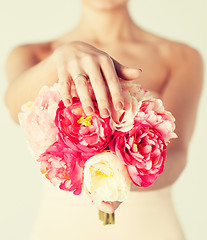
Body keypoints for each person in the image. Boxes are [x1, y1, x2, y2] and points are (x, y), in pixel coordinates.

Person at [4, 0, 203, 239]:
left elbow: (177, 154)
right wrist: (60, 59)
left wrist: (120, 179)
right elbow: (14, 107)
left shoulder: (181, 56)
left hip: (151, 228)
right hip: (60, 227)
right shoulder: (32, 54)